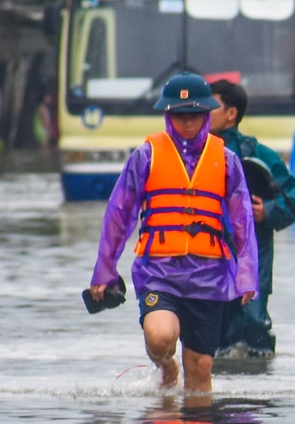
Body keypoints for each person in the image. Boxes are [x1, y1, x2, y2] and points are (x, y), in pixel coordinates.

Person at [89, 73, 258, 396]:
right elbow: (119, 214)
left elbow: (242, 219)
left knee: (201, 371)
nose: (188, 123)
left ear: (207, 114)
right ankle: (167, 366)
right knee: (160, 336)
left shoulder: (226, 159)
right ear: (168, 115)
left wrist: (247, 272)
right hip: (159, 270)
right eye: (180, 116)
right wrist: (105, 268)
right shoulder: (146, 156)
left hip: (210, 275)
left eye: (195, 115)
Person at [208, 80, 295, 358]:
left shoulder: (260, 155)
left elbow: (290, 200)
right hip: (206, 257)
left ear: (231, 113)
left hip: (253, 256)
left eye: (212, 106)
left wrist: (268, 210)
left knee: (253, 325)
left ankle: (258, 392)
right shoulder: (193, 155)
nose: (202, 112)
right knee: (210, 329)